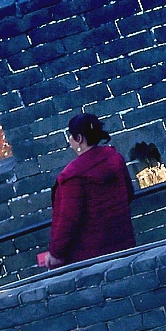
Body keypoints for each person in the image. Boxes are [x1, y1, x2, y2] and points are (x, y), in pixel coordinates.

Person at [42, 113, 135, 269]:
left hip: (89, 255)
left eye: (71, 136)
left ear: (79, 139)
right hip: (123, 242)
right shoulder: (115, 158)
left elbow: (69, 219)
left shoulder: (73, 175)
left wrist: (55, 253)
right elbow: (128, 193)